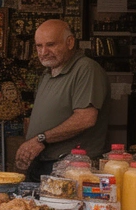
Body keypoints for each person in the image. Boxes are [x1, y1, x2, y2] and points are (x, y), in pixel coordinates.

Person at [15, 19, 109, 179]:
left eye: (51, 45)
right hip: (43, 162)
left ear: (70, 42)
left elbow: (85, 118)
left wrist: (40, 139)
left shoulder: (86, 69)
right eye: (39, 46)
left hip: (71, 166)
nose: (43, 52)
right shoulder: (48, 72)